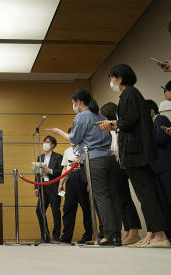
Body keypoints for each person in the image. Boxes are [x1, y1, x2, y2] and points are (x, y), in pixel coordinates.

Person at [99, 64, 170, 248]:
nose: (111, 82)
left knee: (146, 194)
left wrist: (112, 123)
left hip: (135, 152)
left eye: (111, 78)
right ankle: (154, 233)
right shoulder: (132, 94)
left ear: (119, 78)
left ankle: (160, 235)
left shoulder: (129, 94)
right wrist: (115, 124)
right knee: (146, 194)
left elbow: (128, 121)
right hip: (138, 151)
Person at [49, 89, 122, 246]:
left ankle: (108, 235)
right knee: (113, 197)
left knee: (101, 197)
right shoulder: (101, 116)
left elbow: (74, 138)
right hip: (109, 159)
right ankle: (116, 235)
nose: (73, 105)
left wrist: (59, 132)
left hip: (94, 160)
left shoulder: (81, 116)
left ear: (79, 102)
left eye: (73, 102)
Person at [100, 102, 142, 245]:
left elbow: (118, 150)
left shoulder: (117, 130)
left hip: (122, 166)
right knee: (120, 201)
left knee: (125, 200)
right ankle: (128, 231)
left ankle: (134, 231)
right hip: (116, 167)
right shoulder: (110, 132)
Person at [146, 99, 171, 242]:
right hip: (157, 169)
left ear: (151, 110)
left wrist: (145, 135)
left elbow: (161, 138)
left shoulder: (160, 119)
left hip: (168, 167)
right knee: (164, 204)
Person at [58, 129, 92, 244]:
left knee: (86, 208)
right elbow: (64, 168)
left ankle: (88, 235)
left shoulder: (85, 148)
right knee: (68, 208)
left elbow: (89, 166)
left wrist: (89, 183)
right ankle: (66, 236)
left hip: (82, 178)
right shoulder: (67, 150)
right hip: (71, 179)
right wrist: (61, 183)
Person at [34, 135, 63, 242]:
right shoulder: (39, 157)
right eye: (44, 141)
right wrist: (36, 186)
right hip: (42, 188)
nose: (45, 144)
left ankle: (56, 236)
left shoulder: (59, 157)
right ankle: (45, 235)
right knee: (39, 210)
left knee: (55, 211)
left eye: (48, 142)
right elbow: (37, 173)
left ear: (53, 145)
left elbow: (62, 171)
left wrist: (50, 171)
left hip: (55, 188)